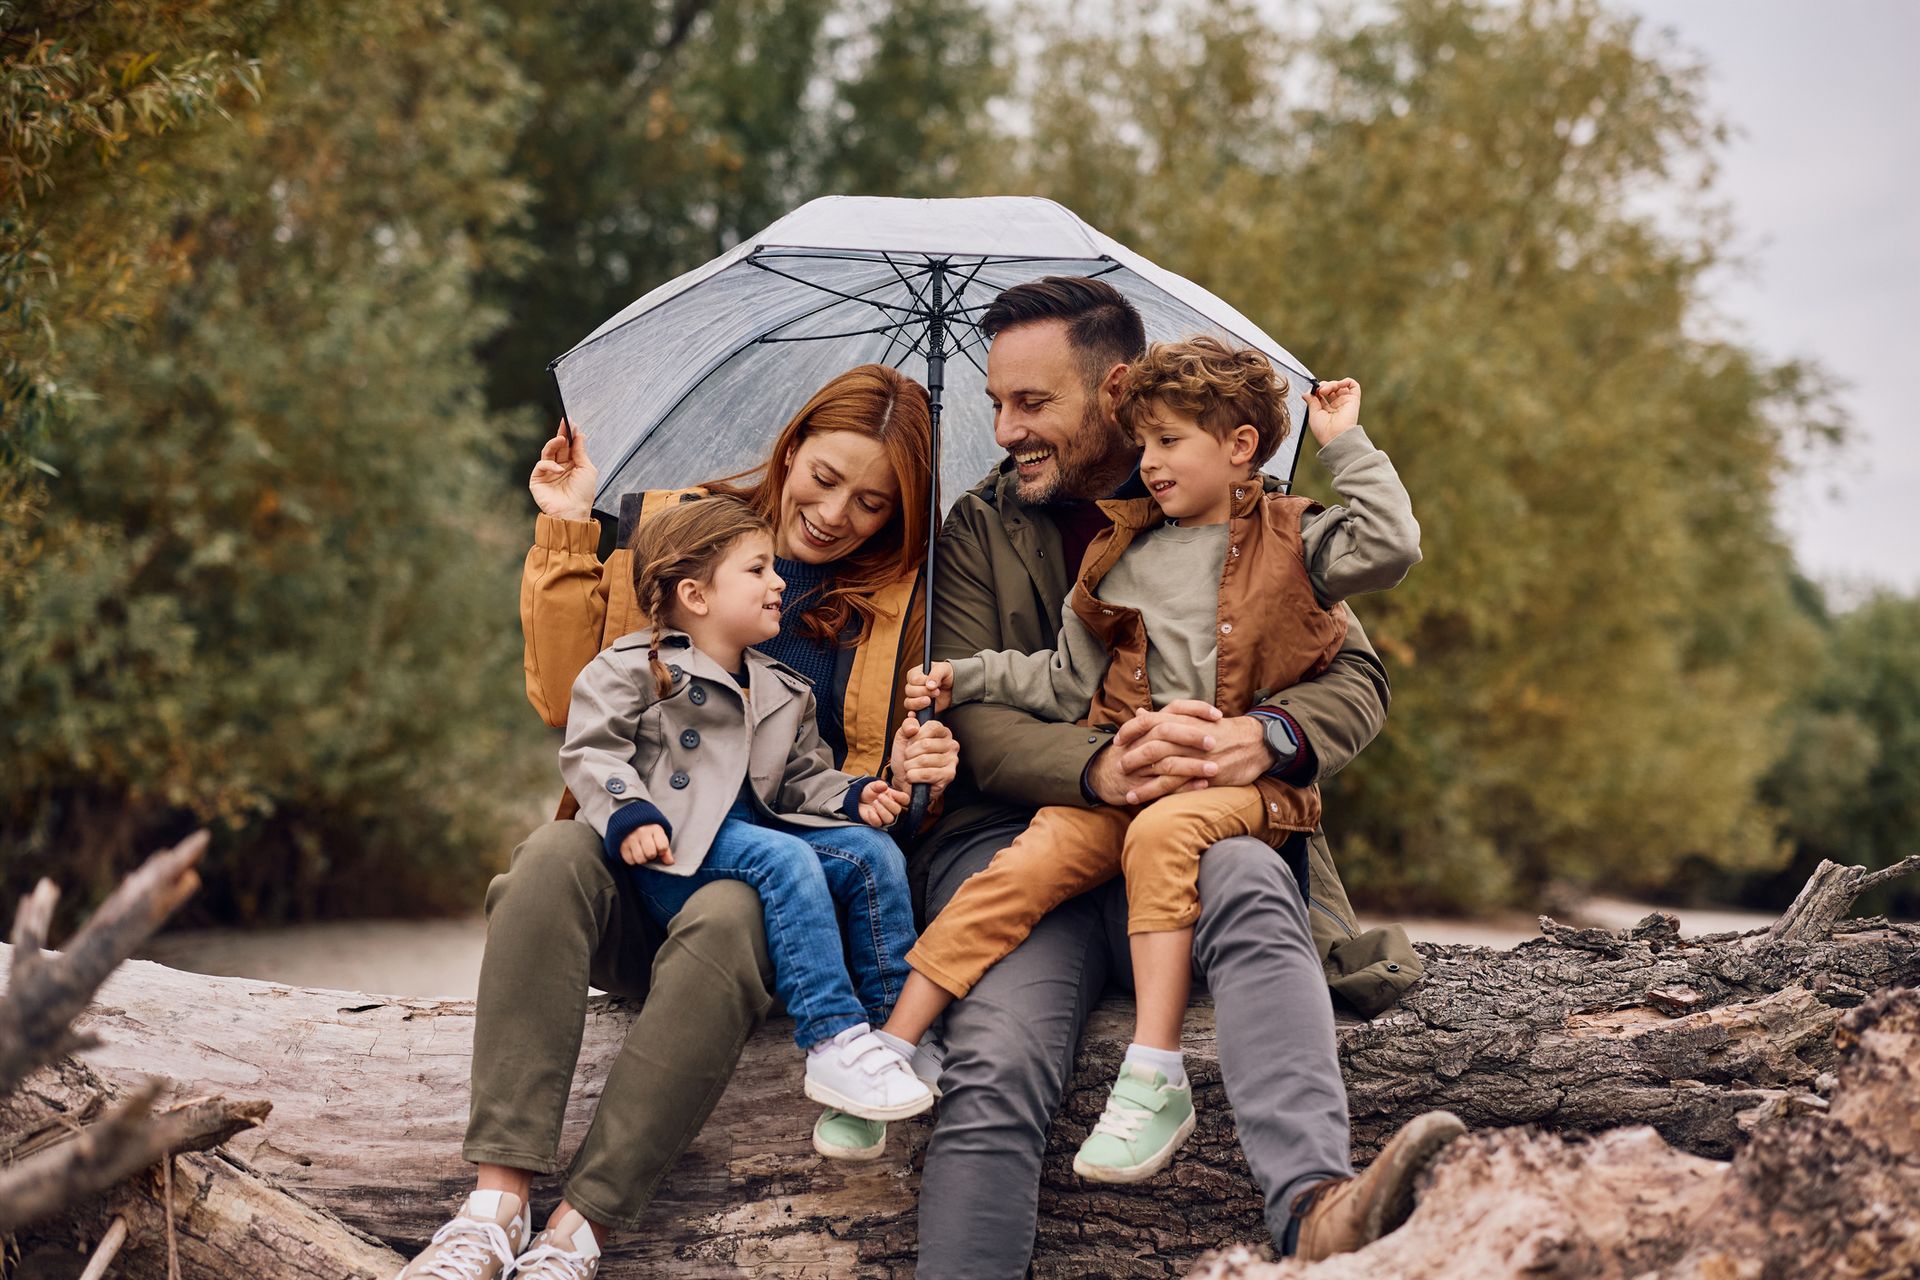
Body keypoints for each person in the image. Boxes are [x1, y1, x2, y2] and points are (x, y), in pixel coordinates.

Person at [910, 277, 1459, 1275]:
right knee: (999, 1060)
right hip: (1032, 840)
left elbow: (1358, 676)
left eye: (1031, 404)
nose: (1004, 430)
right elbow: (978, 718)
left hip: (1200, 825)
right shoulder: (979, 529)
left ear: (1113, 390)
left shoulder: (1246, 518)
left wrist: (1267, 736)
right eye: (995, 404)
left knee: (1250, 878)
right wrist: (1099, 764)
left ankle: (1315, 1209)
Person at [395, 364, 958, 1280]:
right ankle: (493, 1204)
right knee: (548, 852)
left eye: (871, 503)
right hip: (638, 858)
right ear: (791, 448)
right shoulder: (678, 532)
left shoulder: (901, 602)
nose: (834, 514)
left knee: (736, 905)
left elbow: (840, 788)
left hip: (765, 906)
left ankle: (580, 1231)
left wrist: (906, 776)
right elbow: (567, 696)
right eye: (824, 478)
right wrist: (570, 526)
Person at [561, 495, 933, 1123]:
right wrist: (630, 813)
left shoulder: (782, 688)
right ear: (696, 596)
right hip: (673, 851)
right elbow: (591, 752)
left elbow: (799, 778)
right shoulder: (631, 670)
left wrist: (852, 794)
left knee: (871, 854)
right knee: (784, 857)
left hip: (753, 836)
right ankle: (833, 1039)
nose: (779, 581)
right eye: (757, 570)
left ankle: (895, 1035)